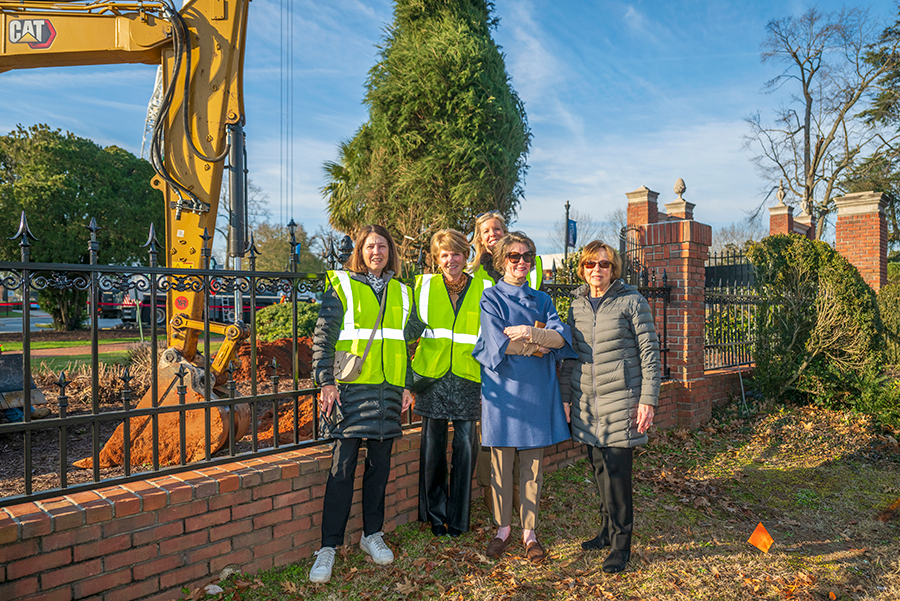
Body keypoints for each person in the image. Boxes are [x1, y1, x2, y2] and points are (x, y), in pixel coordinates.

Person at [309, 224, 415, 584]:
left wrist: (407, 385)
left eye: (382, 246)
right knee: (341, 470)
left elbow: (405, 341)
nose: (376, 252)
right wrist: (325, 381)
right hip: (350, 390)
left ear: (391, 252)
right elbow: (323, 336)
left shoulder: (403, 291)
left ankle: (372, 535)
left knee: (379, 469)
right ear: (360, 250)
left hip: (388, 392)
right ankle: (328, 547)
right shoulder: (342, 284)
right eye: (370, 246)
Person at [472, 231, 577, 563]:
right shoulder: (490, 299)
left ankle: (529, 533)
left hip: (535, 390)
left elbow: (562, 338)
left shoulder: (543, 300)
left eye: (527, 256)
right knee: (501, 464)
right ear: (502, 261)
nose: (521, 262)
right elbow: (496, 343)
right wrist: (538, 346)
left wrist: (533, 333)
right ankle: (502, 529)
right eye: (514, 257)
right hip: (501, 391)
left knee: (532, 466)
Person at [559, 240, 660, 574]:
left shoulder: (632, 301)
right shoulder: (577, 306)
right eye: (590, 264)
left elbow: (649, 353)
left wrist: (648, 398)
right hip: (588, 403)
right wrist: (566, 398)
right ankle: (606, 531)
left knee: (617, 475)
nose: (597, 270)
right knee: (600, 470)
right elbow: (571, 356)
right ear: (583, 269)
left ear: (613, 269)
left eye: (603, 264)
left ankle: (621, 546)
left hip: (622, 401)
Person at [406, 229, 491, 537]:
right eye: (444, 254)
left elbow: (491, 336)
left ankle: (458, 518)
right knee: (432, 450)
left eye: (456, 253)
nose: (450, 259)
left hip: (469, 377)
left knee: (466, 449)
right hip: (432, 378)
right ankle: (434, 515)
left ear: (465, 255)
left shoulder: (485, 286)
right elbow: (408, 329)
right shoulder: (423, 286)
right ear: (436, 258)